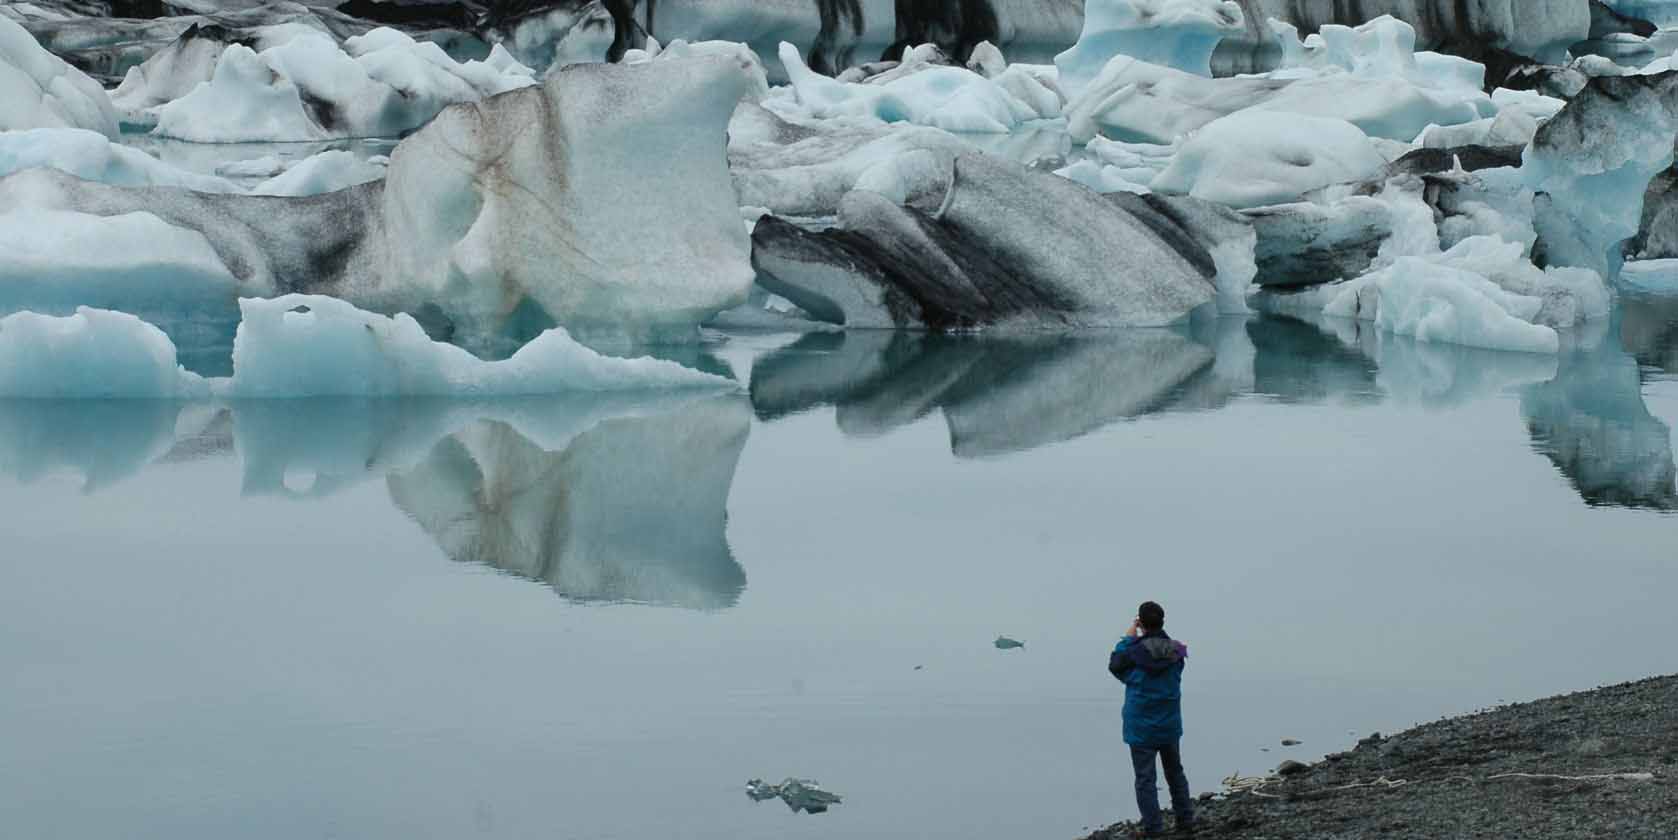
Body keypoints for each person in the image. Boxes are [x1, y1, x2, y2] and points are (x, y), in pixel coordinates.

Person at [1110, 601, 1193, 837]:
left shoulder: (1132, 654)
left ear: (1141, 623)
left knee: (1145, 779)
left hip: (1141, 728)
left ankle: (1154, 830)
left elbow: (1115, 665)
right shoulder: (1176, 652)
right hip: (1169, 724)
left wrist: (1128, 638)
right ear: (1163, 621)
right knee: (1175, 772)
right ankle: (1185, 821)